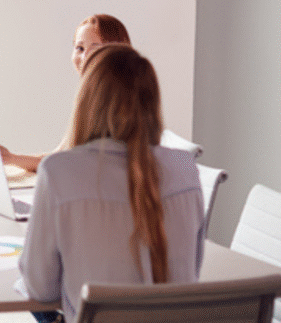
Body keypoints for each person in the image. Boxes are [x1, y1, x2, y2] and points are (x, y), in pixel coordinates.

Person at [16, 45, 205, 322]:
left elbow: (40, 289)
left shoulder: (59, 171)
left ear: (87, 100)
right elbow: (192, 271)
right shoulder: (185, 168)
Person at [0, 14, 130, 172]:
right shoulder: (89, 98)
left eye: (96, 49)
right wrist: (11, 158)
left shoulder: (122, 102)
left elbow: (81, 166)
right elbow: (60, 157)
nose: (85, 57)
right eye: (80, 48)